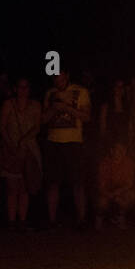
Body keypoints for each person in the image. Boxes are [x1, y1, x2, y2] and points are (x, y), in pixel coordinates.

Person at [43, 68, 91, 229]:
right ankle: (51, 220)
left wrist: (67, 108)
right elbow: (43, 120)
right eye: (56, 80)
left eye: (61, 79)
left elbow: (86, 117)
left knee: (78, 182)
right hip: (53, 142)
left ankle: (81, 220)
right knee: (53, 183)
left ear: (67, 76)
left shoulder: (80, 92)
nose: (59, 83)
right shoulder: (50, 93)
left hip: (73, 142)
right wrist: (54, 108)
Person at [0, 77, 43, 231]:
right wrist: (11, 145)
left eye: (26, 87)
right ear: (15, 89)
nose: (23, 90)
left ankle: (22, 220)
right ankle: (11, 221)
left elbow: (37, 127)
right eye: (20, 87)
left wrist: (24, 140)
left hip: (29, 148)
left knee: (25, 186)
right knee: (12, 187)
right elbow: (1, 126)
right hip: (11, 147)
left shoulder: (35, 105)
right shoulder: (8, 104)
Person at [94, 140, 135, 229]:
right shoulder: (104, 163)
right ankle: (100, 218)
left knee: (131, 197)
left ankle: (120, 217)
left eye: (123, 149)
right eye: (118, 149)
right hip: (107, 191)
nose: (121, 151)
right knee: (102, 203)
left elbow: (130, 183)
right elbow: (101, 185)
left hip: (121, 191)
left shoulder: (129, 163)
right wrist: (111, 195)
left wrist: (118, 194)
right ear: (112, 151)